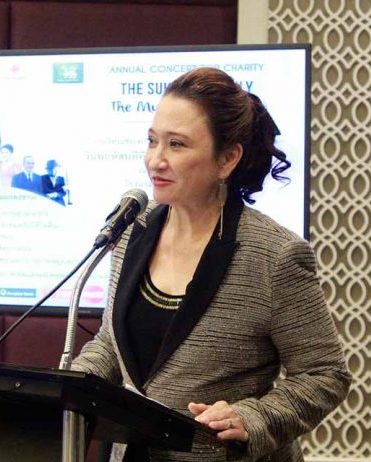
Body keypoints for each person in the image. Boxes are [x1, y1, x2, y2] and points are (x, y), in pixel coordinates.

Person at [71, 67, 351, 461]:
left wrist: (253, 417)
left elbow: (325, 374)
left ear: (227, 159)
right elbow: (111, 345)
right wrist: (66, 389)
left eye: (176, 145)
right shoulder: (132, 230)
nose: (155, 160)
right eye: (152, 141)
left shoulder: (276, 255)